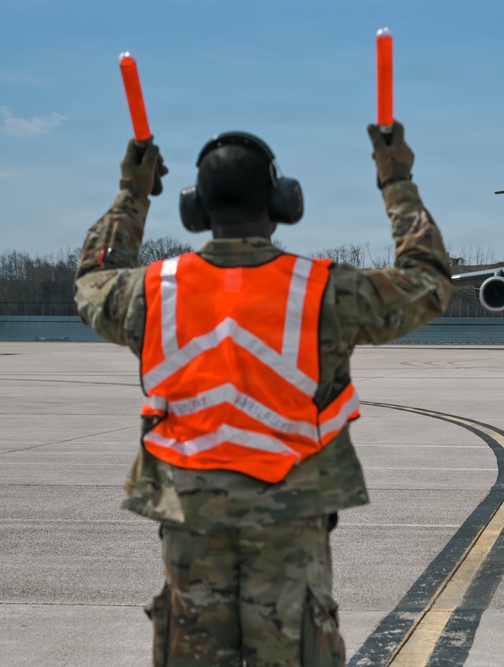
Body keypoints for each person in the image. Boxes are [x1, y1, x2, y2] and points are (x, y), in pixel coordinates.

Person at [74, 121, 451, 666]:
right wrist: (396, 179)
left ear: (196, 210)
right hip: (290, 521)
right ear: (282, 202)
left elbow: (94, 276)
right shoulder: (324, 290)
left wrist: (133, 191)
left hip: (191, 518)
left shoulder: (152, 292)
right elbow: (427, 281)